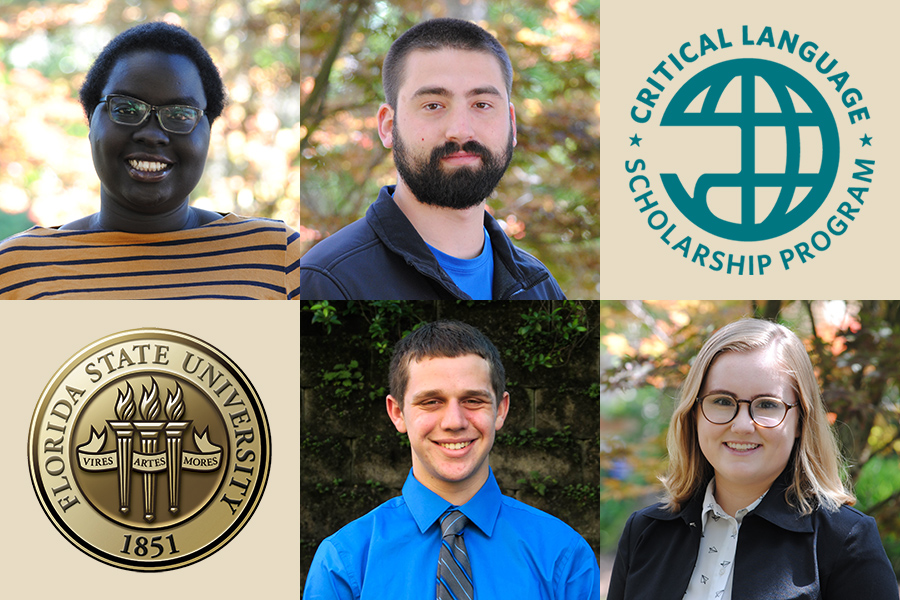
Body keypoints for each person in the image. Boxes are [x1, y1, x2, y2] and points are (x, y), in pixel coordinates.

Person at [0, 22, 300, 299]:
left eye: (180, 115)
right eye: (127, 109)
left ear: (210, 132)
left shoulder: (278, 256)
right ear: (90, 121)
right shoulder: (17, 269)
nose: (152, 135)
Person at [303, 320, 599, 599]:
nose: (454, 421)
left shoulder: (564, 556)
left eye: (473, 400)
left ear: (500, 410)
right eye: (431, 402)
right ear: (397, 413)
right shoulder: (344, 561)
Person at [608, 318, 899, 600]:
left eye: (767, 405)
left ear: (800, 420)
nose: (742, 425)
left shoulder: (846, 539)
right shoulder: (644, 532)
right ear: (693, 413)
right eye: (722, 401)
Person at [298, 18, 565, 300]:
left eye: (482, 104)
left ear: (511, 123)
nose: (461, 130)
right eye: (433, 105)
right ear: (388, 126)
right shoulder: (326, 283)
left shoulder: (540, 288)